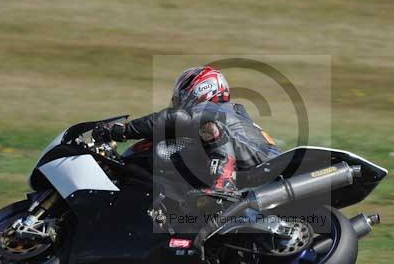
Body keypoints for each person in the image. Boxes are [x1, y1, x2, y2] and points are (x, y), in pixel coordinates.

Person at [93, 65, 281, 198]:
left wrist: (122, 131)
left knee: (206, 127)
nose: (178, 103)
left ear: (198, 90)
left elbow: (174, 119)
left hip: (263, 169)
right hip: (261, 171)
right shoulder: (228, 113)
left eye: (180, 98)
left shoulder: (212, 110)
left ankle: (223, 184)